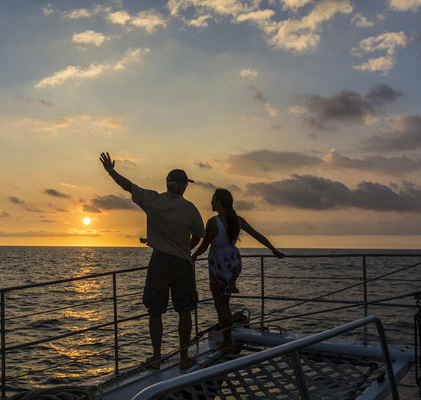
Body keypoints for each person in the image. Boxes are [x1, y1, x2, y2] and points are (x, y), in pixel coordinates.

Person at [99, 152, 205, 370]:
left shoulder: (153, 200)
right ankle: (184, 358)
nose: (186, 187)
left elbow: (128, 186)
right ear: (182, 185)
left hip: (159, 262)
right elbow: (199, 235)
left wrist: (110, 171)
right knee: (184, 311)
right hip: (182, 264)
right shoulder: (190, 208)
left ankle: (156, 357)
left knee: (155, 311)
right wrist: (187, 248)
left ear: (168, 184)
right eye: (185, 183)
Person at [191, 188, 284, 351]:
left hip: (219, 263)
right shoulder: (237, 220)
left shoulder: (214, 222)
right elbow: (257, 234)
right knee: (224, 302)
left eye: (213, 199)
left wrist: (193, 256)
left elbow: (205, 245)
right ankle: (226, 339)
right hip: (232, 261)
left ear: (220, 201)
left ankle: (227, 341)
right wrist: (272, 249)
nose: (211, 202)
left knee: (220, 304)